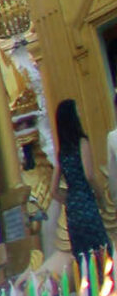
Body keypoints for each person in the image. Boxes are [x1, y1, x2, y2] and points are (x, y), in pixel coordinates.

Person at [54, 98, 110, 262]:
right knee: (101, 250)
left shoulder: (61, 152)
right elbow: (89, 175)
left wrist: (70, 200)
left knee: (84, 256)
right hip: (87, 203)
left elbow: (53, 191)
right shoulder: (82, 142)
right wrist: (101, 197)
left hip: (73, 210)